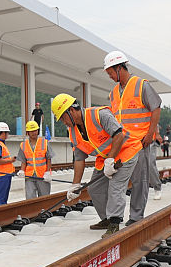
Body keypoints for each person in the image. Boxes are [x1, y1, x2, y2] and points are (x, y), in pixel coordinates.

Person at [52, 92, 137, 235]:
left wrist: (110, 160)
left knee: (115, 187)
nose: (63, 122)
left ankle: (114, 223)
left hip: (125, 153)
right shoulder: (72, 132)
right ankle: (106, 219)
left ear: (71, 110)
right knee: (94, 188)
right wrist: (75, 185)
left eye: (63, 118)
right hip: (106, 159)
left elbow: (119, 135)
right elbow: (79, 159)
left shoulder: (99, 115)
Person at [104, 51, 162, 225]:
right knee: (119, 182)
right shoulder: (114, 92)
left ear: (119, 68)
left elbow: (156, 107)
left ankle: (136, 217)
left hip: (140, 143)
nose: (110, 77)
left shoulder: (141, 85)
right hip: (123, 145)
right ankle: (115, 217)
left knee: (140, 181)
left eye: (111, 73)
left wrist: (151, 134)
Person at [18, 120, 53, 198]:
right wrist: (22, 170)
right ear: (28, 133)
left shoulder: (45, 142)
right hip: (29, 176)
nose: (34, 133)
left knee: (44, 198)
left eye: (35, 130)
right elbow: (23, 161)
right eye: (32, 131)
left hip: (42, 176)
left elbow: (49, 159)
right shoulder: (23, 145)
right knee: (30, 198)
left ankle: (45, 210)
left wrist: (47, 172)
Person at [0, 122, 15, 205]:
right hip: (2, 175)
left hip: (5, 175)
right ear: (3, 133)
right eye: (7, 132)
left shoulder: (0, 144)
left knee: (3, 198)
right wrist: (11, 160)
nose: (7, 134)